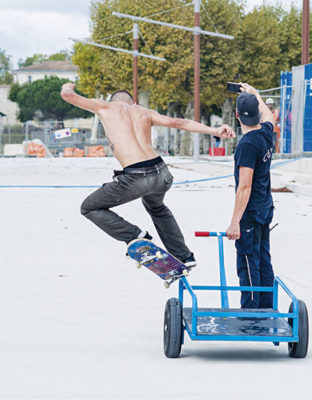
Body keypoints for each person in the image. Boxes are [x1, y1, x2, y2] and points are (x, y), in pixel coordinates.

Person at [60, 83, 234, 266]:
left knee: (89, 207)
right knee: (156, 207)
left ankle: (136, 236)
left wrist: (68, 86)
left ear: (113, 101)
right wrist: (214, 130)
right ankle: (184, 255)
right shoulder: (144, 112)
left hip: (136, 177)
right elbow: (179, 122)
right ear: (133, 102)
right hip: (162, 174)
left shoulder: (105, 107)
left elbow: (67, 95)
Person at [225, 83, 276, 309]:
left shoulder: (246, 145)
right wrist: (255, 93)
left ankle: (252, 312)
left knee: (248, 260)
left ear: (237, 115)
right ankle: (267, 307)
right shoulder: (266, 133)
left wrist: (235, 221)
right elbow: (270, 116)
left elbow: (244, 187)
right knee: (263, 258)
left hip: (251, 211)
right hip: (265, 208)